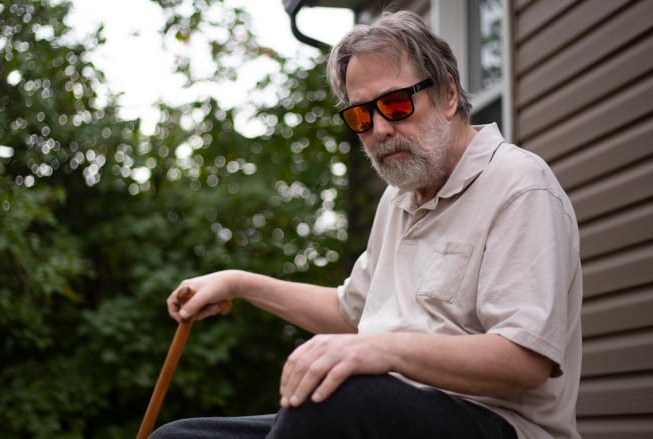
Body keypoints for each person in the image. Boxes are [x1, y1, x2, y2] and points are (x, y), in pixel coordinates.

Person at [150, 10, 582, 439]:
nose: (379, 128)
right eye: (361, 116)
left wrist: (378, 350)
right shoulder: (398, 201)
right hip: (377, 415)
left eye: (395, 104)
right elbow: (349, 313)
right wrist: (237, 283)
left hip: (496, 423)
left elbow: (525, 361)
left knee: (338, 397)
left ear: (448, 94)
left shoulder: (519, 186)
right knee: (180, 436)